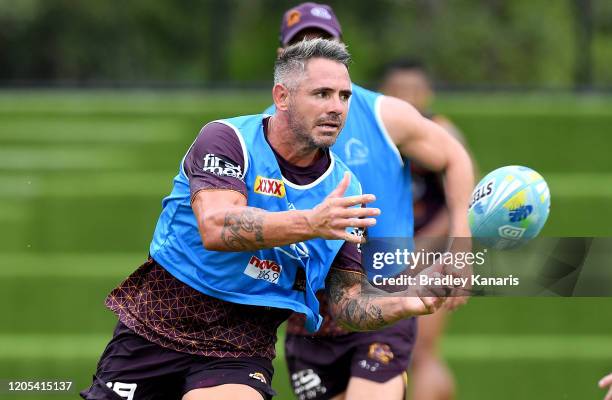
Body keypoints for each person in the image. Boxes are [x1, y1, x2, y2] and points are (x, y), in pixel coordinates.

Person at [81, 38, 447, 400]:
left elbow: (346, 302)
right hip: (156, 326)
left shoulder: (345, 189)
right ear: (282, 97)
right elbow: (217, 226)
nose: (336, 108)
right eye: (321, 94)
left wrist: (404, 300)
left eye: (344, 96)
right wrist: (310, 223)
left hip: (239, 348)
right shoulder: (227, 140)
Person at [267, 4, 474, 400]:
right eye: (300, 45)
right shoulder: (263, 133)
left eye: (323, 43)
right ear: (282, 59)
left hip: (384, 293)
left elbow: (455, 156)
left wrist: (460, 243)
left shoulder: (383, 115)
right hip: (312, 315)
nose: (313, 52)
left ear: (341, 48)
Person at [380, 58, 472, 400]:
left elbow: (464, 201)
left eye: (414, 90)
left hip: (427, 257)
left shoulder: (441, 132)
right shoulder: (373, 134)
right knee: (376, 350)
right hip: (379, 261)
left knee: (421, 352)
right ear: (382, 94)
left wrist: (422, 249)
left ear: (428, 93)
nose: (407, 98)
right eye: (398, 91)